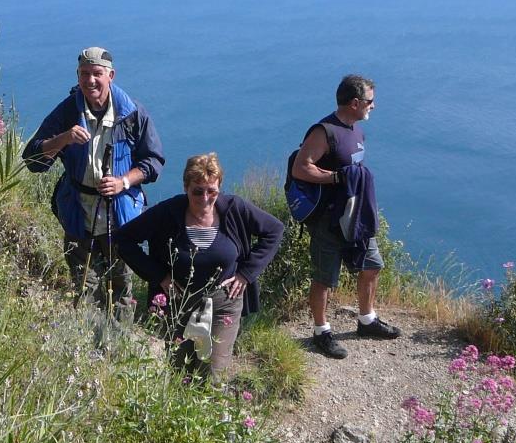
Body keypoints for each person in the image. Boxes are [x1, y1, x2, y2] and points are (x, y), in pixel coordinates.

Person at [22, 47, 164, 323]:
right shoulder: (67, 112)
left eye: (97, 74)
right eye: (84, 74)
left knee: (121, 286)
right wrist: (63, 139)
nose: (90, 81)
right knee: (84, 286)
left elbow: (153, 161)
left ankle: (118, 345)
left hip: (121, 217)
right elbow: (33, 159)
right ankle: (90, 351)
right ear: (77, 76)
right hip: (78, 214)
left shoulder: (132, 114)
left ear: (111, 76)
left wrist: (123, 182)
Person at [116, 153, 285, 381]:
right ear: (186, 187)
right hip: (179, 302)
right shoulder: (168, 213)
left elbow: (274, 230)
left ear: (219, 188)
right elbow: (124, 240)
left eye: (212, 191)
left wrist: (245, 274)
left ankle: (214, 412)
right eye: (197, 191)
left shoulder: (234, 209)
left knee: (213, 374)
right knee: (180, 373)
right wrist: (159, 276)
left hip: (224, 303)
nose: (205, 198)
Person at [291, 74, 400, 359]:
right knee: (324, 278)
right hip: (329, 219)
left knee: (372, 265)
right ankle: (322, 332)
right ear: (355, 103)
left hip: (356, 218)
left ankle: (367, 320)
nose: (373, 106)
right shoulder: (324, 131)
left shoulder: (356, 131)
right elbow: (301, 169)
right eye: (370, 101)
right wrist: (338, 178)